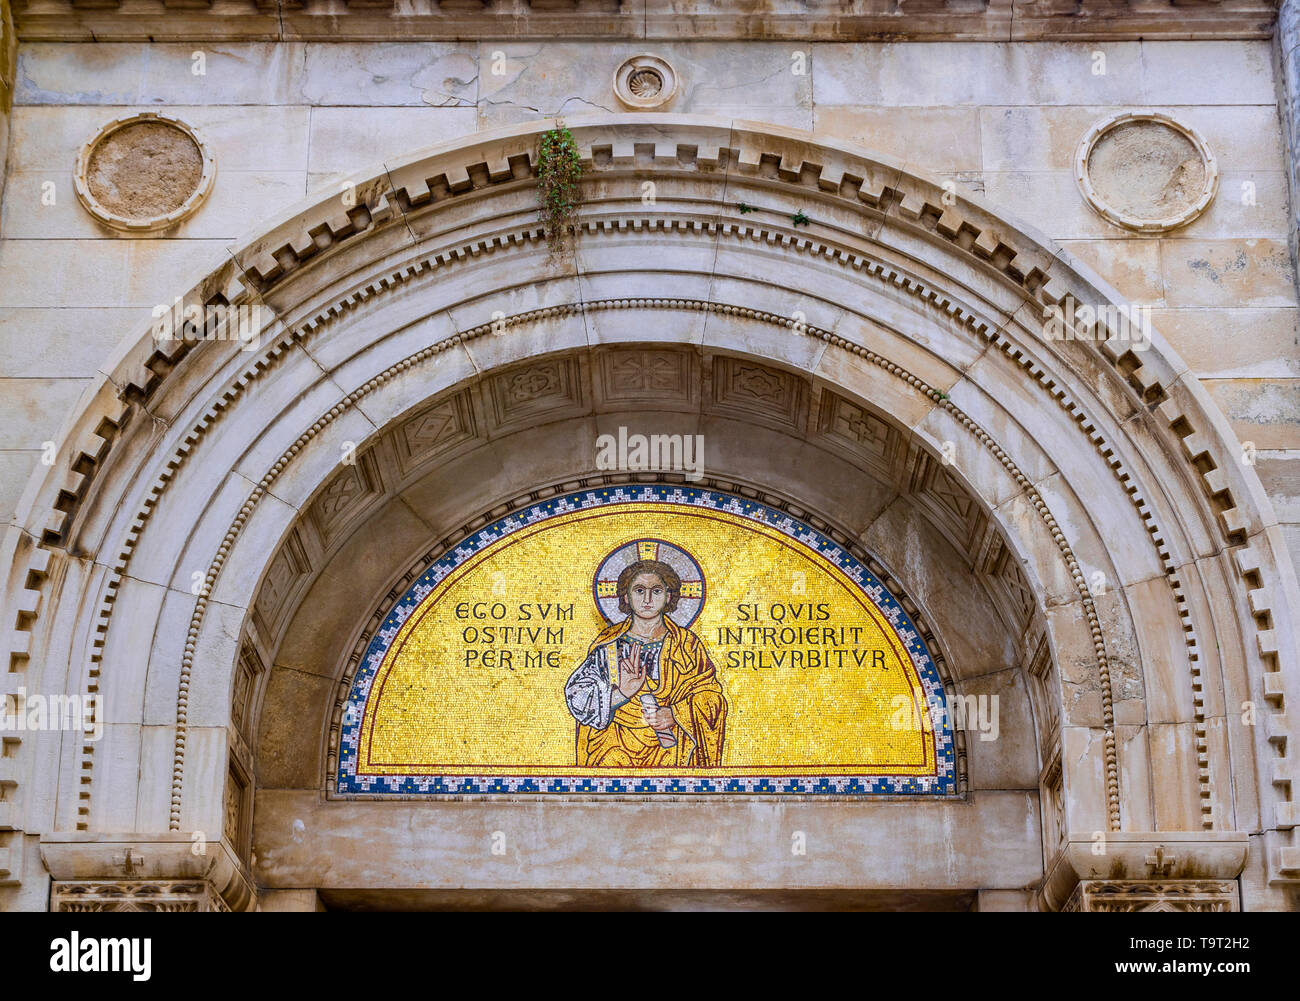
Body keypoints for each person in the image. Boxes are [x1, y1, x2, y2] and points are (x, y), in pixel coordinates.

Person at [564, 558, 726, 767]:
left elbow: (711, 697)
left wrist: (676, 714)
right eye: (639, 590)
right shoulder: (608, 645)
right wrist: (622, 694)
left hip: (671, 749)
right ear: (626, 596)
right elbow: (579, 698)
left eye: (656, 591)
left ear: (668, 596)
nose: (647, 599)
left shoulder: (685, 645)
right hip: (613, 747)